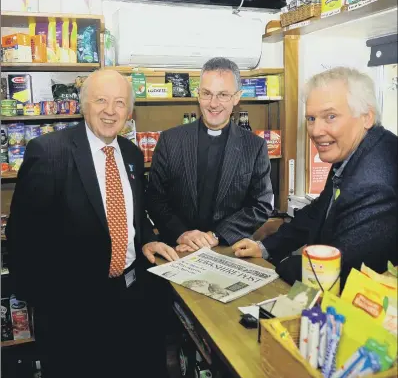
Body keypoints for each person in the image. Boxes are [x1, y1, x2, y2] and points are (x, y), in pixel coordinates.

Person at [6, 69, 179, 378]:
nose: (110, 111)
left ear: (129, 111)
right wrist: (47, 305)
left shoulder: (132, 155)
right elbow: (21, 238)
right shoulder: (49, 153)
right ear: (83, 105)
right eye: (101, 100)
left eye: (119, 102)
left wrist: (145, 240)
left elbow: (133, 215)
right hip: (72, 312)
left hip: (130, 298)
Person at [232, 66, 398, 288]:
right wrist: (265, 248)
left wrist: (280, 264)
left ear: (367, 117)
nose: (316, 130)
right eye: (311, 118)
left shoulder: (374, 181)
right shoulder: (355, 149)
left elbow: (337, 273)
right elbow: (320, 209)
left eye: (330, 117)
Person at [146, 57, 273, 252]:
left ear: (237, 97)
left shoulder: (254, 146)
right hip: (177, 248)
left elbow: (261, 205)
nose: (213, 104)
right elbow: (154, 198)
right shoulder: (170, 141)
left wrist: (215, 236)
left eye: (223, 95)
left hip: (228, 248)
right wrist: (182, 233)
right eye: (206, 93)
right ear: (198, 95)